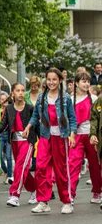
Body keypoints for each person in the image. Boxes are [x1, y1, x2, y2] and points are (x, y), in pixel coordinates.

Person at [23, 67, 77, 214]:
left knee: (61, 170)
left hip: (61, 137)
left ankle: (67, 201)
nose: (51, 82)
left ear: (60, 80)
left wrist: (72, 134)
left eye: (54, 79)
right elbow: (35, 116)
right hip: (46, 136)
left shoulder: (65, 98)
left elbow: (72, 118)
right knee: (40, 167)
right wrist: (28, 126)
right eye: (49, 79)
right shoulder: (41, 97)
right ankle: (43, 201)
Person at [0, 83, 38, 207]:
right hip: (14, 141)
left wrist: (43, 141)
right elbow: (4, 124)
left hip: (27, 141)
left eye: (23, 90)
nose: (20, 93)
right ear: (13, 93)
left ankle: (15, 195)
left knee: (19, 167)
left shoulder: (30, 108)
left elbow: (36, 124)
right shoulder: (9, 108)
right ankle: (34, 189)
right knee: (23, 168)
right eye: (18, 90)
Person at [69, 71, 100, 203]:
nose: (86, 84)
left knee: (95, 165)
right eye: (83, 81)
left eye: (88, 81)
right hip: (76, 136)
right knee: (73, 164)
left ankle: (97, 192)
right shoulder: (70, 99)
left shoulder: (93, 98)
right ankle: (70, 194)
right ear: (76, 83)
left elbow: (97, 118)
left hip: (91, 136)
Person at [0, 92, 14, 185]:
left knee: (8, 156)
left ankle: (10, 176)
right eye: (1, 99)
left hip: (8, 134)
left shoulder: (10, 109)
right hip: (0, 134)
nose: (4, 100)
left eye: (5, 99)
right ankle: (6, 171)